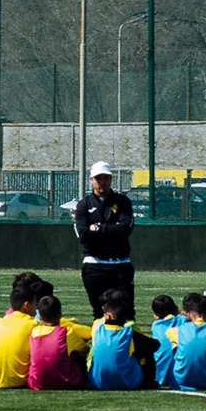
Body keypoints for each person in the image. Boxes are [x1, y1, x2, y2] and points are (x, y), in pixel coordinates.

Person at [68, 163, 137, 316]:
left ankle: (127, 339)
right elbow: (84, 235)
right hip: (94, 266)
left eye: (105, 178)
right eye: (99, 178)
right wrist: (113, 228)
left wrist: (99, 228)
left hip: (121, 265)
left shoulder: (122, 202)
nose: (102, 182)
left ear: (111, 179)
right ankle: (101, 339)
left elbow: (126, 228)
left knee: (126, 311)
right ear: (91, 179)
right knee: (99, 312)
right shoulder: (83, 206)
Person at [0, 273, 47, 389]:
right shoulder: (33, 324)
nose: (36, 307)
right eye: (35, 303)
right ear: (26, 305)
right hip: (19, 380)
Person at [85, 289, 153, 390]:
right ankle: (149, 382)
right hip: (126, 381)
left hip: (96, 379)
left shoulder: (97, 325)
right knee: (142, 350)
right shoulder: (129, 327)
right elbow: (151, 346)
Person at [25, 293, 91, 390]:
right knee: (77, 355)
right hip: (66, 382)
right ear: (60, 315)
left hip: (37, 382)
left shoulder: (34, 332)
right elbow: (84, 349)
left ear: (41, 318)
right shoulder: (66, 332)